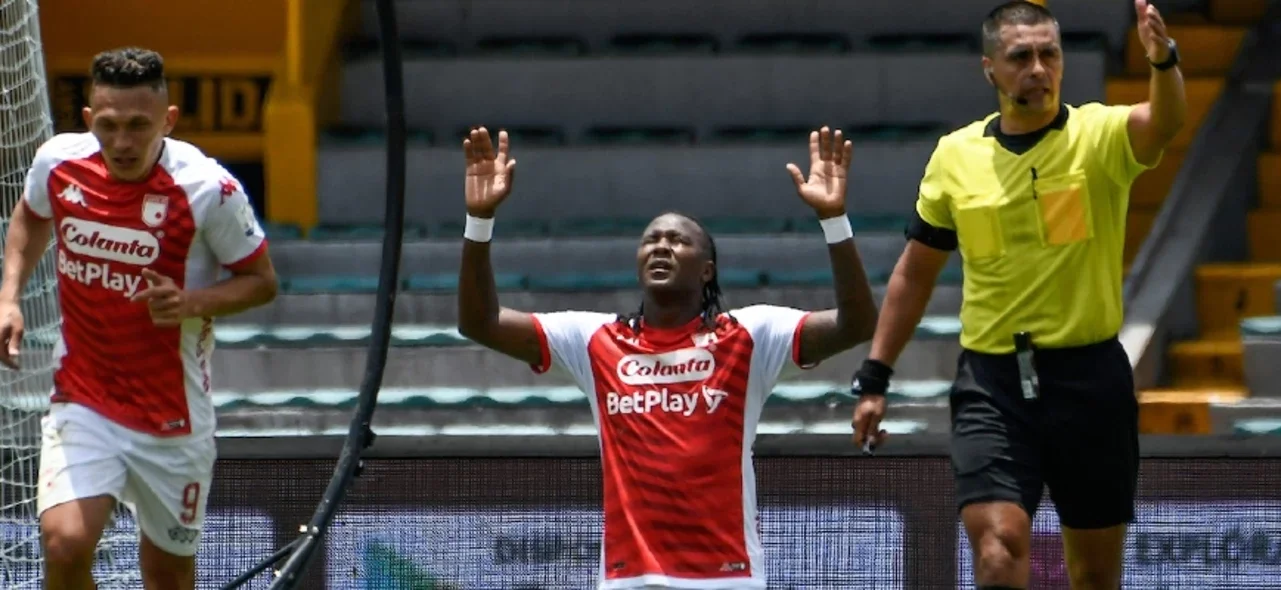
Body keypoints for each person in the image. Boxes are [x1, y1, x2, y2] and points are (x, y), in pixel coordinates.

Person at [847, 2, 1186, 589]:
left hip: (1091, 379)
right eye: (1020, 56)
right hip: (993, 383)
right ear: (990, 69)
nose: (1038, 67)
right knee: (999, 549)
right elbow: (915, 273)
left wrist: (1163, 58)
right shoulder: (956, 156)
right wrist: (875, 376)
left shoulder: (1100, 135)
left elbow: (1167, 121)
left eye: (1049, 54)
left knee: (1096, 574)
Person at [456, 125, 879, 589]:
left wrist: (834, 221)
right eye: (651, 240)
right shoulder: (595, 340)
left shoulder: (750, 335)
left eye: (678, 241)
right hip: (628, 581)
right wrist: (480, 223)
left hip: (727, 579)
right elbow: (482, 324)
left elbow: (856, 325)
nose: (661, 246)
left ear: (708, 269)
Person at [0, 47, 279, 589]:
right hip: (84, 398)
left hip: (172, 420)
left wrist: (191, 303)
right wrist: (9, 296)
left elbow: (262, 281)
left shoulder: (209, 189)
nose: (123, 142)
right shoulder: (57, 164)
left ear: (168, 121)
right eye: (108, 125)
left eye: (138, 126)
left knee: (168, 578)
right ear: (88, 120)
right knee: (64, 544)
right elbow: (29, 220)